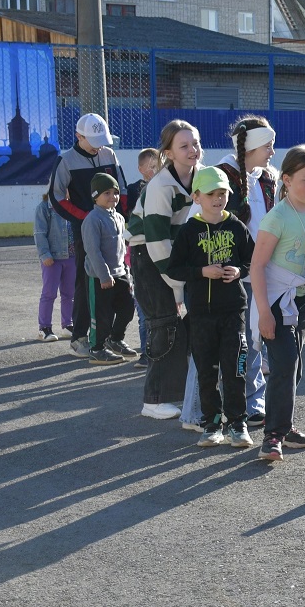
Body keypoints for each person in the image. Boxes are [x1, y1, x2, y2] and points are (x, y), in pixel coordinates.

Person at [252, 145, 305, 462]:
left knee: (294, 368)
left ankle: (284, 429)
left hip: (302, 299)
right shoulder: (277, 218)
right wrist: (263, 314)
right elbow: (257, 267)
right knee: (285, 364)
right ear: (286, 179)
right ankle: (272, 436)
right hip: (276, 300)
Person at [168, 166, 256, 448]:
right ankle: (211, 423)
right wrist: (201, 272)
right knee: (206, 370)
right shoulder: (188, 231)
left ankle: (238, 423)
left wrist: (239, 271)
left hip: (234, 311)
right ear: (196, 196)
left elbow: (252, 259)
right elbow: (175, 269)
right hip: (202, 315)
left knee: (237, 367)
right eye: (211, 194)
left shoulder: (237, 227)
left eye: (223, 194)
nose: (218, 199)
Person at [132, 120, 201, 421]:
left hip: (174, 254)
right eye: (184, 146)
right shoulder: (160, 185)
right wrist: (178, 286)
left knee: (180, 325)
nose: (193, 150)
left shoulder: (201, 177)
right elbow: (157, 241)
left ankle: (174, 394)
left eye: (195, 143)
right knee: (163, 322)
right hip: (147, 253)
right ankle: (154, 400)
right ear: (169, 153)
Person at [215, 115, 278, 428]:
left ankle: (252, 403)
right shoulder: (220, 176)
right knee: (239, 343)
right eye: (268, 145)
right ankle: (230, 404)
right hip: (234, 277)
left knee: (255, 341)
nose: (272, 152)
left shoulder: (268, 177)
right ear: (251, 146)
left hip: (263, 273)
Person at [50, 113, 127, 359]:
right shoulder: (66, 160)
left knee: (119, 283)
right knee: (88, 283)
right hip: (87, 229)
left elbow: (122, 188)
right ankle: (80, 338)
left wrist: (121, 216)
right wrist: (83, 218)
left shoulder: (109, 154)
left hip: (113, 227)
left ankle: (112, 339)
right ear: (78, 136)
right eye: (93, 140)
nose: (99, 145)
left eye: (101, 139)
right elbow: (57, 196)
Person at [81, 173, 136, 365]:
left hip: (120, 274)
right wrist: (104, 275)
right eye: (107, 193)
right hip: (99, 277)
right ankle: (96, 349)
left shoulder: (119, 217)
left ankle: (115, 339)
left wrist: (127, 274)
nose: (113, 197)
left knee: (128, 308)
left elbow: (122, 249)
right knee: (101, 316)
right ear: (95, 196)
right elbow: (93, 251)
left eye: (115, 192)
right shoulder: (92, 219)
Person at [126, 147, 161, 367]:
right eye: (151, 167)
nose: (156, 170)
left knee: (162, 310)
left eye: (158, 166)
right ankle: (147, 353)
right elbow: (133, 225)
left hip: (159, 255)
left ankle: (162, 351)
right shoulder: (134, 191)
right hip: (139, 256)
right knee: (144, 311)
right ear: (140, 169)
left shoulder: (167, 187)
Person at [33, 194, 75, 342]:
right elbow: (39, 233)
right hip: (53, 258)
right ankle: (44, 328)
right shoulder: (45, 207)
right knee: (49, 293)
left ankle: (68, 325)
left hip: (72, 256)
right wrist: (44, 254)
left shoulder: (74, 204)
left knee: (69, 294)